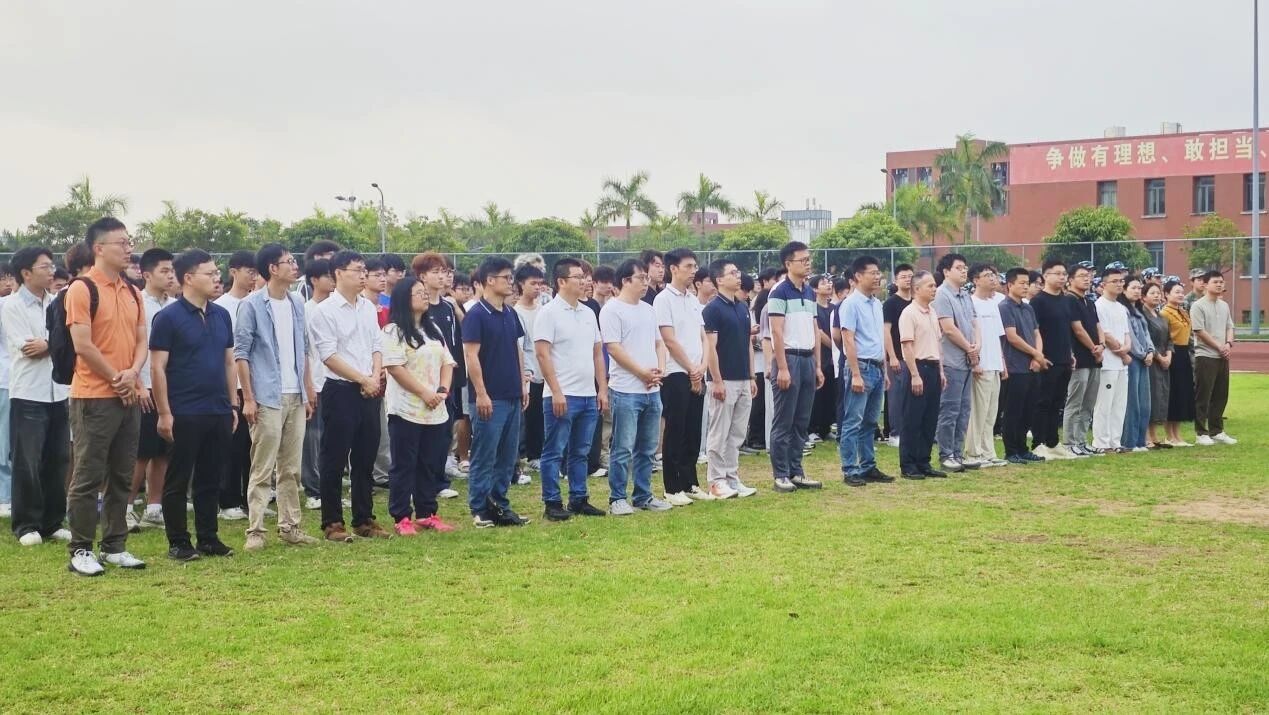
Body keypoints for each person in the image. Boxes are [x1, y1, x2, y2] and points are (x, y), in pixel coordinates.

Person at [64, 218, 148, 576]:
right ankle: (81, 548)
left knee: (122, 474)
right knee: (88, 475)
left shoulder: (133, 291)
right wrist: (117, 377)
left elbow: (142, 340)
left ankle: (115, 545)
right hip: (94, 396)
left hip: (127, 394)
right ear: (99, 248)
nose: (129, 249)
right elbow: (83, 345)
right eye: (121, 243)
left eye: (130, 242)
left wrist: (132, 373)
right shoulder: (82, 289)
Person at [149, 249, 238, 560]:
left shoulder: (221, 315)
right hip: (184, 410)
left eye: (217, 272)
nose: (217, 278)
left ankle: (208, 538)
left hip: (218, 409)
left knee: (211, 477)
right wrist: (164, 412)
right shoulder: (168, 317)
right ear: (188, 278)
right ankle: (178, 541)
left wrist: (233, 404)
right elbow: (157, 367)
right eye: (209, 273)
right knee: (178, 478)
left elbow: (229, 362)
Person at [234, 244, 319, 551]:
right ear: (272, 268)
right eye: (288, 262)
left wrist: (307, 388)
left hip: (295, 395)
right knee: (262, 466)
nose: (294, 266)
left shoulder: (297, 303)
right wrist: (248, 398)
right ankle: (255, 530)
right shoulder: (252, 305)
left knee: (291, 467)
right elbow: (241, 354)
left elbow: (303, 348)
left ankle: (290, 526)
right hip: (266, 396)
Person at [310, 250, 388, 542]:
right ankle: (332, 522)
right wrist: (362, 378)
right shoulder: (324, 311)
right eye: (357, 270)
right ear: (339, 273)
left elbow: (376, 345)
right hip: (340, 390)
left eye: (364, 270)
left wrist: (375, 375)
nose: (363, 275)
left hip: (370, 388)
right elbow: (329, 355)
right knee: (334, 456)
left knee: (366, 456)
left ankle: (364, 518)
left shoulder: (367, 307)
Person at [4, 247, 71, 545]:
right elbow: (27, 348)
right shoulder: (11, 305)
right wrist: (53, 343)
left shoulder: (58, 303)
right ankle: (26, 524)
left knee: (58, 458)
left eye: (51, 265)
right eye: (44, 266)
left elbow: (69, 342)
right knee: (27, 460)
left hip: (59, 391)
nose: (51, 270)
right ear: (26, 273)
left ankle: (52, 521)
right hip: (28, 392)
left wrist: (49, 344)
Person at [534, 258, 608, 521]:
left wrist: (602, 388)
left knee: (581, 451)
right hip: (562, 395)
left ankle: (579, 497)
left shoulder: (588, 313)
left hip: (587, 395)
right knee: (554, 451)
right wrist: (556, 391)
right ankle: (552, 501)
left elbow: (597, 353)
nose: (584, 281)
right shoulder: (548, 313)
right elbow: (542, 354)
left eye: (585, 277)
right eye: (578, 277)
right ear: (561, 281)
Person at [382, 277, 457, 535]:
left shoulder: (432, 328)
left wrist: (442, 390)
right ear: (404, 298)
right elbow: (395, 368)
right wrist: (424, 393)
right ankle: (402, 516)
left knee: (429, 462)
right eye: (419, 293)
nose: (425, 296)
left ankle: (427, 512)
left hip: (435, 409)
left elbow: (447, 362)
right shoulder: (393, 331)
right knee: (404, 464)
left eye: (425, 292)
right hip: (406, 409)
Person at [463, 257, 532, 528]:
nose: (511, 283)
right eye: (506, 278)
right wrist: (481, 393)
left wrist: (522, 383)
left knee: (507, 456)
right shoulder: (476, 315)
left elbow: (517, 348)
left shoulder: (510, 313)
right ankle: (480, 508)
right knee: (485, 454)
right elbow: (471, 355)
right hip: (490, 398)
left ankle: (500, 504)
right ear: (490, 280)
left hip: (512, 393)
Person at [602, 259, 672, 514]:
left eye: (646, 278)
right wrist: (641, 372)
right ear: (625, 281)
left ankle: (643, 495)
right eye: (641, 278)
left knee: (647, 447)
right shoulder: (612, 309)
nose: (646, 282)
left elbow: (659, 343)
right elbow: (614, 348)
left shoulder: (648, 309)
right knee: (623, 446)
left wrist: (660, 369)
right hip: (626, 389)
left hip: (652, 389)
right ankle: (617, 498)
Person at [768, 242, 825, 493]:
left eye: (809, 259)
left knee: (802, 421)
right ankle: (781, 474)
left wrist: (818, 365)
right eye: (803, 260)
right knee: (784, 421)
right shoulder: (779, 292)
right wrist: (782, 367)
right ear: (788, 263)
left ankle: (796, 470)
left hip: (807, 359)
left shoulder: (809, 292)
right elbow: (776, 332)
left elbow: (814, 328)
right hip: (789, 358)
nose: (807, 263)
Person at [653, 248, 708, 506]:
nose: (693, 271)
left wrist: (701, 367)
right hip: (676, 372)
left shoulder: (693, 300)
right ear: (673, 269)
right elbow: (669, 340)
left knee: (693, 430)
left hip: (697, 371)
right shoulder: (663, 300)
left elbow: (703, 336)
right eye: (688, 266)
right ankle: (672, 486)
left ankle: (690, 482)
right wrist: (690, 369)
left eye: (695, 266)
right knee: (676, 429)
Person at [126, 248, 175, 531]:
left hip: (169, 388)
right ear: (146, 274)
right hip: (143, 385)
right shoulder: (136, 303)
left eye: (172, 271)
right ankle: (126, 507)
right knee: (140, 452)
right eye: (164, 271)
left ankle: (154, 508)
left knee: (164, 450)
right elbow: (128, 346)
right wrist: (136, 384)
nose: (170, 276)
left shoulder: (175, 305)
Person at [702, 260, 758, 500]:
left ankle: (732, 477)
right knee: (719, 432)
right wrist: (717, 380)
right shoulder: (712, 309)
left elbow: (747, 343)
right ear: (719, 280)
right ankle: (716, 480)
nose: (738, 276)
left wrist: (752, 376)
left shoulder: (742, 307)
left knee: (736, 433)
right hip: (723, 379)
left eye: (738, 271)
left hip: (743, 378)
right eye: (733, 273)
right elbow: (710, 348)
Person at [412, 252, 463, 499]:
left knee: (444, 431)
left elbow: (454, 343)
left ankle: (439, 481)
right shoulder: (418, 308)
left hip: (447, 378)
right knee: (422, 435)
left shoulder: (448, 307)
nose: (442, 276)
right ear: (422, 276)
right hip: (422, 380)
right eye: (435, 272)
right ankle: (421, 483)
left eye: (444, 271)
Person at [837, 256, 891, 487]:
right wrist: (856, 374)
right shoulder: (850, 304)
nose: (877, 277)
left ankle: (868, 465)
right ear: (858, 276)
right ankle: (850, 469)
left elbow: (879, 339)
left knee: (870, 421)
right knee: (853, 421)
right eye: (873, 273)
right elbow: (848, 340)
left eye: (879, 273)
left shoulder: (877, 304)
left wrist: (884, 370)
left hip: (877, 367)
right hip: (861, 366)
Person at [214, 249, 257, 521]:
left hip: (255, 384)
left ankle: (249, 498)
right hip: (232, 385)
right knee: (233, 445)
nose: (253, 277)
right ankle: (228, 500)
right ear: (233, 272)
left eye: (256, 272)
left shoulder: (257, 303)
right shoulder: (221, 307)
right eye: (249, 271)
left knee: (254, 446)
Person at [897, 271, 947, 479]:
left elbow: (937, 344)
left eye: (935, 285)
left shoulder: (932, 312)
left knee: (929, 418)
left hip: (933, 368)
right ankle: (908, 464)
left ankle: (923, 461)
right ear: (917, 289)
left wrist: (941, 371)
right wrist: (915, 375)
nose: (934, 289)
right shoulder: (909, 313)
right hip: (917, 367)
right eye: (930, 286)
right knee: (912, 419)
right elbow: (907, 346)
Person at [932, 253, 980, 472]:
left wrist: (976, 346)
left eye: (965, 267)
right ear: (946, 271)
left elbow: (974, 323)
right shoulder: (942, 295)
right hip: (952, 361)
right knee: (949, 410)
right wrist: (969, 348)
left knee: (964, 410)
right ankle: (946, 455)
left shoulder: (965, 295)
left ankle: (958, 454)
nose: (964, 271)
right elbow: (949, 329)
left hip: (967, 361)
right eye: (959, 267)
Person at [1030, 260, 1078, 460]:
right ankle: (1038, 442)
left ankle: (1053, 442)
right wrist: (1038, 356)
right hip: (1046, 359)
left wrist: (1070, 353)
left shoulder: (1066, 300)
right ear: (1045, 276)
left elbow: (1067, 330)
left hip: (1064, 358)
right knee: (1043, 401)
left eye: (1064, 273)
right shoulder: (1038, 301)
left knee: (1057, 402)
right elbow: (1034, 331)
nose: (1062, 277)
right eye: (1057, 273)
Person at [998, 268, 1047, 464]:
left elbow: (1036, 333)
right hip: (1015, 366)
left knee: (1029, 409)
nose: (1026, 286)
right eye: (1022, 283)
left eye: (1028, 283)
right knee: (1013, 411)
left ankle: (1022, 448)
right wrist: (1035, 354)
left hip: (1033, 366)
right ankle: (1011, 450)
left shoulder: (1028, 308)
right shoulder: (1004, 307)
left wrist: (1038, 357)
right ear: (1010, 285)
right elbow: (1012, 337)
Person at [964, 264, 1008, 468]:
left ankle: (988, 451)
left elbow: (998, 337)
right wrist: (975, 363)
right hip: (980, 366)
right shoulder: (970, 303)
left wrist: (1002, 363)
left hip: (995, 364)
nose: (992, 278)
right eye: (987, 275)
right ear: (975, 280)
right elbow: (969, 336)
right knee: (978, 412)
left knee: (991, 412)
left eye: (993, 275)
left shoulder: (994, 303)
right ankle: (973, 453)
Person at [300, 259, 333, 510]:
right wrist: (308, 384)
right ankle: (313, 489)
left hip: (335, 382)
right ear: (314, 280)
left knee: (330, 438)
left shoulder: (335, 309)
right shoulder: (305, 310)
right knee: (312, 438)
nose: (333, 280)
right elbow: (305, 352)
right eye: (328, 276)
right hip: (315, 382)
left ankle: (327, 487)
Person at [1190, 270, 1237, 446]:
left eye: (1221, 282)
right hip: (1205, 355)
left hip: (1222, 355)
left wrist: (1228, 344)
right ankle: (1201, 432)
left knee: (1221, 394)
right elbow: (1199, 331)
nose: (1219, 285)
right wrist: (1218, 346)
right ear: (1205, 284)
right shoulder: (1198, 306)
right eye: (1215, 282)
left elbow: (1229, 326)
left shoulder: (1224, 306)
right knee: (1203, 395)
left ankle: (1217, 430)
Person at [1062, 262, 1104, 457]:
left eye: (1088, 276)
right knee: (1075, 402)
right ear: (1070, 280)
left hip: (1095, 358)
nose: (1087, 279)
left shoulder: (1089, 301)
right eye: (1081, 276)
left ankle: (1081, 440)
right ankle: (1069, 442)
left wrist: (1101, 345)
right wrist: (1093, 348)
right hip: (1079, 358)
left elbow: (1098, 326)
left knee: (1088, 403)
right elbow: (1077, 329)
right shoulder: (1069, 300)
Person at [1093, 267, 1132, 452]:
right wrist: (1123, 353)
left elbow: (1126, 333)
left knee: (1119, 405)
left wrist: (1127, 347)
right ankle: (1101, 442)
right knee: (1104, 404)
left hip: (1121, 365)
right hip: (1108, 363)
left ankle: (1115, 442)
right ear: (1103, 284)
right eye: (1114, 281)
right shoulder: (1099, 306)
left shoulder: (1121, 308)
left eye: (1121, 281)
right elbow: (1106, 335)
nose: (1119, 284)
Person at [513, 263, 546, 474]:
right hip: (528, 371)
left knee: (540, 415)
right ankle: (524, 456)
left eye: (540, 284)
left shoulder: (544, 310)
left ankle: (537, 454)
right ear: (520, 284)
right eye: (533, 283)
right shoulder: (516, 312)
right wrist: (525, 371)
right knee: (526, 416)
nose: (537, 288)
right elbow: (520, 346)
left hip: (545, 371)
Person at [1120, 277, 1156, 452]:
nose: (1137, 291)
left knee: (1144, 403)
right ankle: (1130, 441)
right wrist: (1143, 354)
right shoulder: (1123, 310)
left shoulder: (1138, 311)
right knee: (1132, 402)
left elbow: (1146, 334)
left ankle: (1141, 441)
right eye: (1133, 287)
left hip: (1144, 360)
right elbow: (1130, 337)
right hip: (1133, 360)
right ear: (1124, 289)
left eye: (1139, 288)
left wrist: (1150, 351)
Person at [882, 264, 914, 450]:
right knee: (896, 397)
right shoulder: (890, 304)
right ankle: (895, 433)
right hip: (897, 357)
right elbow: (886, 331)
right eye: (904, 276)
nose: (908, 279)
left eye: (910, 276)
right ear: (896, 280)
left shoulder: (916, 302)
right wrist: (892, 357)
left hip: (915, 357)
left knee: (912, 397)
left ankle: (909, 431)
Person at [1160, 280, 1195, 447]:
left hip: (1184, 353)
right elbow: (1164, 337)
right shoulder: (1165, 313)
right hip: (1172, 353)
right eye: (1176, 292)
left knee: (1182, 393)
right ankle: (1169, 435)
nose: (1181, 295)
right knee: (1173, 394)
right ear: (1166, 294)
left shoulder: (1183, 312)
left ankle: (1177, 435)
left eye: (1182, 292)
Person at [1142, 282, 1174, 449]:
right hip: (1151, 360)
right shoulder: (1143, 316)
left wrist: (1168, 355)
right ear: (1144, 297)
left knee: (1161, 396)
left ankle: (1154, 434)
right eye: (1152, 293)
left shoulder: (1162, 317)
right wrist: (1159, 357)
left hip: (1164, 361)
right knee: (1151, 395)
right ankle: (1146, 435)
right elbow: (1146, 339)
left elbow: (1169, 339)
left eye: (1158, 293)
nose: (1156, 295)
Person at [809, 274, 837, 444]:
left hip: (834, 359)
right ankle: (812, 429)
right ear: (815, 289)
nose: (828, 285)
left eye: (829, 282)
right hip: (821, 357)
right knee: (817, 396)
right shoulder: (814, 309)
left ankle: (826, 429)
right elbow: (818, 332)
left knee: (830, 395)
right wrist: (834, 345)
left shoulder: (834, 308)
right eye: (823, 283)